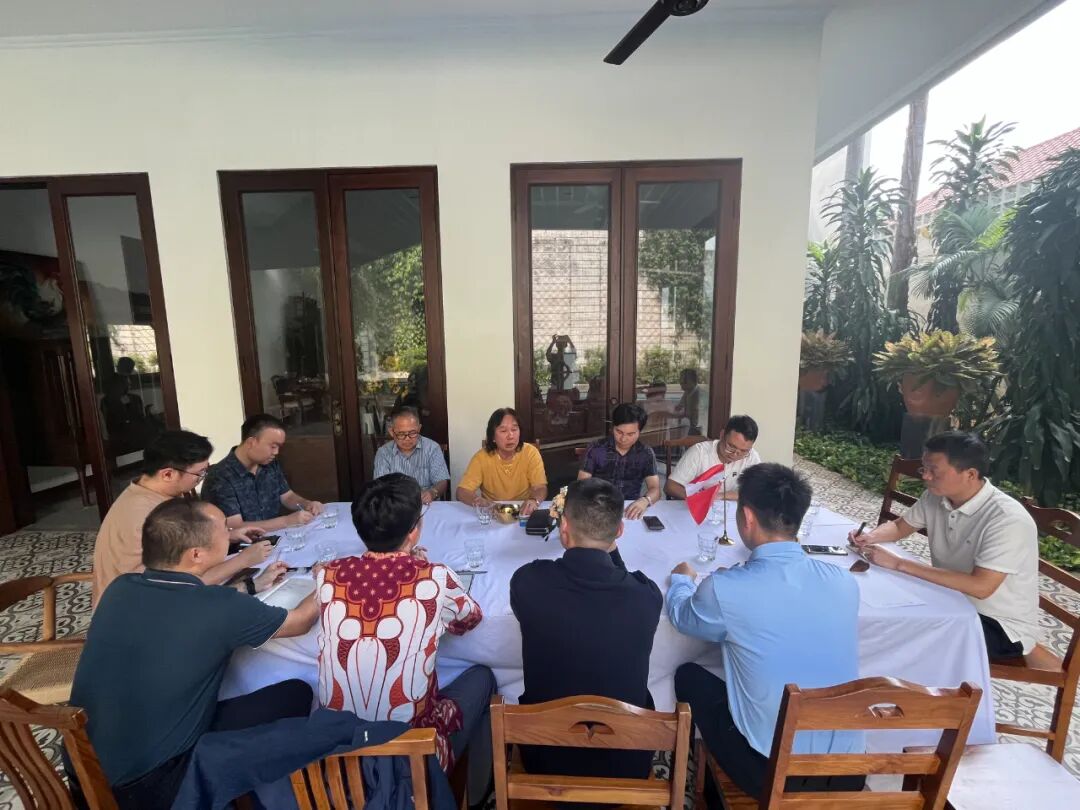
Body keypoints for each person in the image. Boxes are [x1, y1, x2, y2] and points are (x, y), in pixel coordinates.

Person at [71, 499, 319, 808]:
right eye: (223, 529)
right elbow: (300, 621)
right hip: (152, 787)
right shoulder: (219, 607)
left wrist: (251, 586)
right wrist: (328, 578)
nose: (230, 533)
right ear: (197, 554)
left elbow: (186, 603)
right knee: (295, 692)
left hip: (84, 773)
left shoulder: (120, 588)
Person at [668, 463, 864, 800]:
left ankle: (708, 787)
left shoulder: (725, 589)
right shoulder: (844, 581)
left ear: (747, 517)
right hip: (849, 769)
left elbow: (682, 617)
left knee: (689, 675)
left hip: (773, 773)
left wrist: (681, 581)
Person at [317, 473, 494, 793]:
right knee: (483, 677)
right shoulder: (434, 577)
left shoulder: (329, 575)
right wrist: (421, 572)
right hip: (411, 759)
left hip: (340, 759)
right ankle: (475, 792)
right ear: (414, 531)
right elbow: (470, 619)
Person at [511, 477, 662, 780]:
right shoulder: (646, 597)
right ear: (620, 531)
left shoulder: (528, 582)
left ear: (564, 526)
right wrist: (611, 551)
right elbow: (621, 578)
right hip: (627, 763)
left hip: (545, 758)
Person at [853, 431, 1039, 659]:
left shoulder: (1007, 519)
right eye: (924, 469)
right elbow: (901, 526)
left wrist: (899, 564)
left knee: (894, 634)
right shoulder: (936, 496)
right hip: (949, 599)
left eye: (934, 471)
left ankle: (890, 679)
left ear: (970, 474)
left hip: (997, 624)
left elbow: (981, 587)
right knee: (874, 606)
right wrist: (870, 537)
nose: (926, 476)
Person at [91, 429, 274, 606]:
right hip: (140, 608)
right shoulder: (149, 515)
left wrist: (227, 535)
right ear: (168, 474)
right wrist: (243, 560)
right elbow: (177, 585)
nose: (202, 478)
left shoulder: (150, 492)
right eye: (199, 473)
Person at [202, 413, 325, 532]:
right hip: (245, 544)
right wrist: (286, 521)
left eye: (279, 447)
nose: (276, 452)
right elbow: (234, 527)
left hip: (277, 536)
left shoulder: (269, 464)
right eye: (273, 446)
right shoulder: (220, 477)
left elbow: (287, 496)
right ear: (251, 442)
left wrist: (307, 503)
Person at [456, 408, 547, 517]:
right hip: (492, 512)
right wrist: (480, 502)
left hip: (524, 511)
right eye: (503, 431)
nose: (510, 436)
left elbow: (540, 487)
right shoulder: (481, 457)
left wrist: (534, 500)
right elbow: (462, 491)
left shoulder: (530, 453)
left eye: (514, 429)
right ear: (493, 437)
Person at [578, 402, 661, 519]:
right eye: (619, 432)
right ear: (613, 427)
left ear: (639, 432)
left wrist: (645, 500)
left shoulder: (645, 453)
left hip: (631, 509)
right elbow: (582, 484)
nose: (623, 438)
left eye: (631, 434)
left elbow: (655, 489)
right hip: (598, 508)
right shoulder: (596, 448)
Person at [664, 414, 761, 501]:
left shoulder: (751, 456)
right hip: (696, 506)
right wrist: (699, 499)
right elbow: (670, 487)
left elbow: (759, 491)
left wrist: (722, 496)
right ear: (722, 435)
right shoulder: (699, 452)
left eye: (743, 451)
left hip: (728, 510)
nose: (735, 454)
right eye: (731, 447)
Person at [373, 405, 450, 504]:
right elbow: (380, 486)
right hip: (395, 504)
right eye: (401, 434)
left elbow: (442, 481)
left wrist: (432, 492)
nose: (407, 439)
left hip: (427, 504)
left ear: (419, 428)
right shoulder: (383, 453)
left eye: (412, 433)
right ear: (391, 432)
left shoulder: (432, 448)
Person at [673, 368, 703, 436]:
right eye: (681, 380)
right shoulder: (688, 391)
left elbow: (692, 414)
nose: (681, 383)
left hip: (696, 428)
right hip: (689, 426)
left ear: (693, 381)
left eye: (684, 381)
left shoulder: (697, 394)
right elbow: (679, 407)